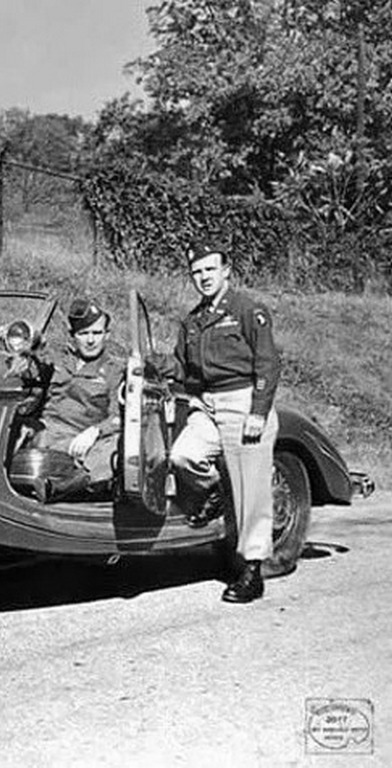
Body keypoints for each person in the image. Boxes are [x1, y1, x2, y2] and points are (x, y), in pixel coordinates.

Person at [162, 243, 280, 604]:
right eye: (197, 272)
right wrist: (155, 365)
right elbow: (183, 368)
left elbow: (267, 363)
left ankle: (252, 571)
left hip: (242, 402)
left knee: (251, 490)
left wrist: (258, 411)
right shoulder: (193, 320)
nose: (204, 278)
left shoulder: (247, 310)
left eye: (210, 270)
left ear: (226, 270)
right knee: (183, 455)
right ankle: (214, 491)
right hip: (207, 404)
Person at [19, 298, 124, 501]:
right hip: (44, 433)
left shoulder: (114, 370)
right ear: (73, 336)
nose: (91, 340)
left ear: (107, 335)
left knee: (118, 447)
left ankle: (60, 489)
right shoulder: (58, 360)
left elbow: (118, 417)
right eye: (83, 334)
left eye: (97, 333)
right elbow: (30, 370)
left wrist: (95, 431)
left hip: (78, 442)